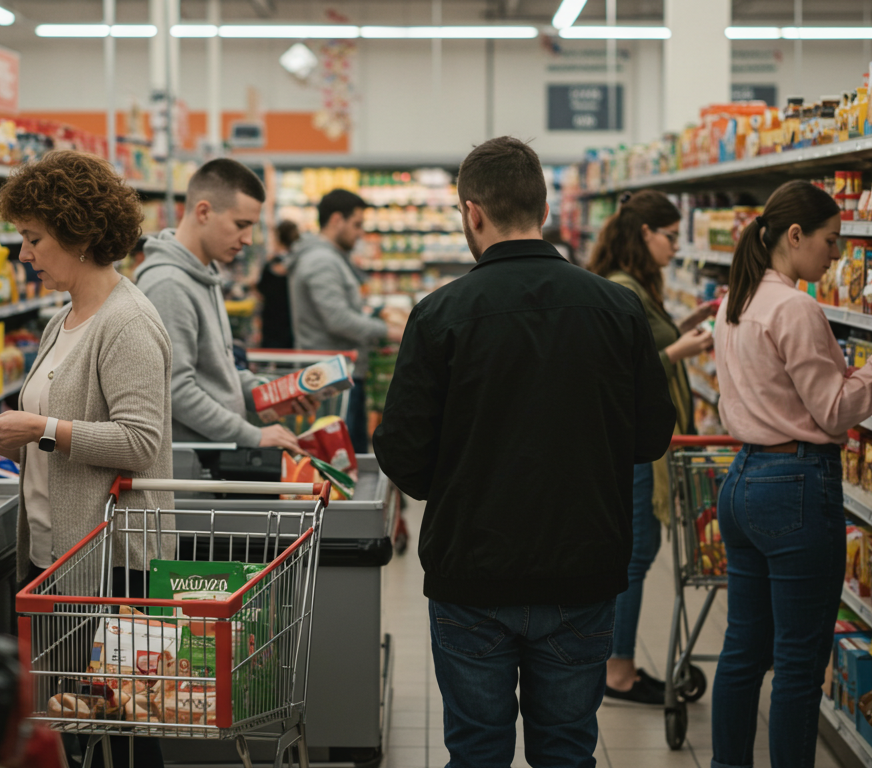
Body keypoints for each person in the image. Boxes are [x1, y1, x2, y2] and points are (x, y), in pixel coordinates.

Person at [373, 136, 677, 768]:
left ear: (472, 213)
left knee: (478, 750)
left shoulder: (437, 316)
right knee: (567, 749)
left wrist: (460, 482)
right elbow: (651, 436)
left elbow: (401, 452)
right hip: (583, 570)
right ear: (543, 210)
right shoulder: (617, 309)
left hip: (471, 575)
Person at [0, 149, 174, 768]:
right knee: (71, 724)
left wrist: (42, 426)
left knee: (120, 734)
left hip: (113, 565)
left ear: (79, 234)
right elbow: (53, 431)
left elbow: (139, 441)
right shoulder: (63, 319)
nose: (24, 254)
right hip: (58, 556)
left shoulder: (127, 322)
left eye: (33, 238)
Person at [709, 180, 872, 768]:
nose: (836, 256)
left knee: (743, 652)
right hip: (795, 488)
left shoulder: (739, 299)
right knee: (799, 666)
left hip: (744, 480)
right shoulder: (795, 307)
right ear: (795, 235)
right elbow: (834, 410)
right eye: (830, 241)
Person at [586, 190, 716, 705]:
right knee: (637, 553)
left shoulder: (637, 286)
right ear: (645, 234)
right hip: (635, 448)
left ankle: (615, 663)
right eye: (669, 236)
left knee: (639, 551)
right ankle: (618, 669)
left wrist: (683, 328)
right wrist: (681, 349)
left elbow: (645, 346)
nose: (675, 248)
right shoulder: (625, 288)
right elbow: (623, 370)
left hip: (637, 444)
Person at [135, 158, 312, 452]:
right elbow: (175, 390)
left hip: (214, 455)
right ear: (204, 212)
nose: (247, 239)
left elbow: (218, 372)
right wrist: (252, 435)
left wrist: (271, 394)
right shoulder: (168, 285)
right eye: (241, 225)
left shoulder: (205, 272)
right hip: (192, 471)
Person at [289, 188, 407, 453]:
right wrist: (391, 331)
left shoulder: (331, 258)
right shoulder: (321, 261)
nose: (360, 232)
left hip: (338, 373)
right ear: (335, 221)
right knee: (340, 459)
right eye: (356, 224)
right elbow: (338, 319)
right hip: (332, 379)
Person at [257, 220, 299, 350]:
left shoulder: (270, 264)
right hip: (292, 322)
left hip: (271, 322)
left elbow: (261, 290)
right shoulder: (297, 264)